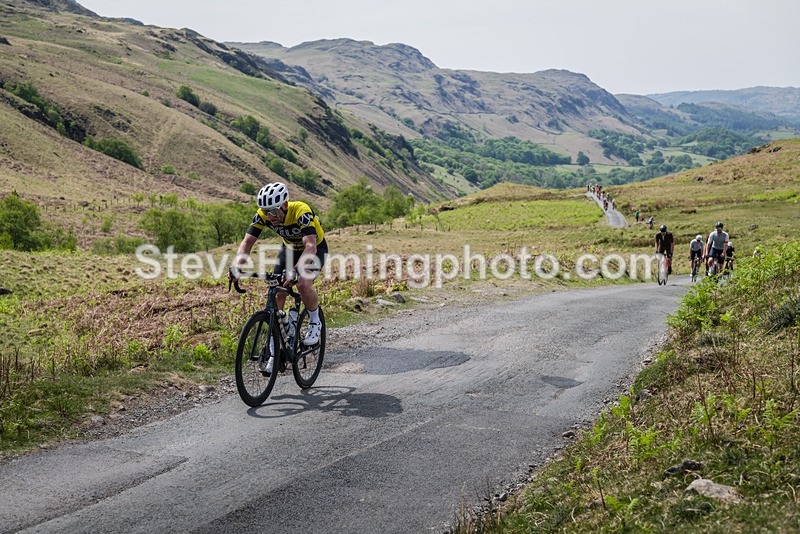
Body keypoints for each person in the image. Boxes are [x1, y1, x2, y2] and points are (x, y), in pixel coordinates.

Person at [229, 182, 328, 371]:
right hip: (289, 249)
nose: (271, 216)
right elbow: (247, 241)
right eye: (267, 212)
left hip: (314, 249)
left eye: (274, 211)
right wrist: (236, 266)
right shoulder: (263, 214)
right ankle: (275, 351)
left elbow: (310, 246)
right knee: (277, 291)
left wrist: (295, 270)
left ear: (285, 205)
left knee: (303, 283)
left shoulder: (301, 211)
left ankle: (315, 322)